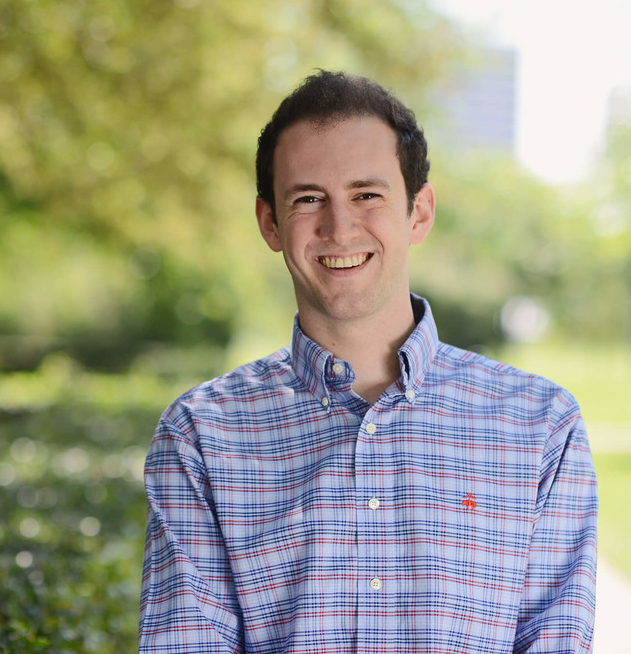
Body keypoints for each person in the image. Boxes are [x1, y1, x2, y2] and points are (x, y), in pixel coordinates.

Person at [138, 71, 597, 653]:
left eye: (366, 194)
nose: (339, 226)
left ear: (419, 212)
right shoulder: (202, 432)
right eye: (308, 198)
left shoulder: (540, 424)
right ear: (270, 223)